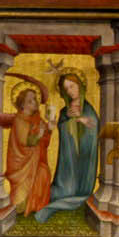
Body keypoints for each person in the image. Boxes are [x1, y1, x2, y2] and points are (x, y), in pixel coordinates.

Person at [34, 73, 99, 221]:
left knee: (80, 190)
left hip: (85, 152)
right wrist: (67, 119)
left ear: (79, 86)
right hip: (69, 155)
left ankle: (75, 194)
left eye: (72, 86)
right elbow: (61, 127)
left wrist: (82, 119)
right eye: (66, 88)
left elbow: (94, 125)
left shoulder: (88, 108)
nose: (70, 91)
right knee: (62, 190)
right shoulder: (65, 111)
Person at [0, 84, 52, 214]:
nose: (35, 102)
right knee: (40, 174)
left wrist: (49, 128)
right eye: (30, 100)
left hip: (35, 161)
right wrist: (39, 134)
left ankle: (36, 205)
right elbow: (25, 142)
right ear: (22, 105)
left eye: (35, 99)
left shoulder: (37, 118)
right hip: (21, 164)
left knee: (44, 172)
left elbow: (45, 142)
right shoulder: (19, 120)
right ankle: (24, 204)